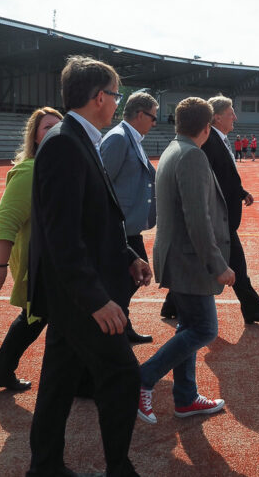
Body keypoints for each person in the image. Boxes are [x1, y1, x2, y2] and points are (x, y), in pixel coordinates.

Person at [26, 56, 151, 477]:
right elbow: (62, 236)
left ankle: (44, 466)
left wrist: (127, 256)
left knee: (59, 381)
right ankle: (118, 468)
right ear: (99, 97)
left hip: (77, 290)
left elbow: (94, 219)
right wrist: (96, 300)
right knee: (121, 374)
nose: (117, 102)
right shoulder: (64, 142)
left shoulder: (80, 137)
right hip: (79, 295)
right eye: (115, 95)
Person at [137, 97, 234, 425]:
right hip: (190, 261)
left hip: (175, 256)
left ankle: (185, 397)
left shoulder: (171, 150)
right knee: (205, 329)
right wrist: (218, 264)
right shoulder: (192, 156)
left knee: (189, 327)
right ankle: (144, 377)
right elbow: (198, 219)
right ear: (207, 127)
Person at [159, 95, 259, 325]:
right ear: (216, 117)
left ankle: (171, 304)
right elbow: (205, 178)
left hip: (221, 217)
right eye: (230, 112)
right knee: (237, 266)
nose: (235, 116)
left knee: (229, 263)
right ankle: (252, 309)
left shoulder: (218, 139)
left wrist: (241, 191)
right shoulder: (209, 141)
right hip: (217, 219)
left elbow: (222, 176)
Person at [0, 107, 62, 392]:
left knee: (39, 316)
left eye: (58, 127)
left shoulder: (56, 168)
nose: (54, 131)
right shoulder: (31, 171)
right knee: (39, 315)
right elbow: (6, 218)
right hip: (38, 262)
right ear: (36, 137)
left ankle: (0, 372)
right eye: (47, 127)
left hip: (53, 261)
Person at [100, 91, 161, 344]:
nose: (154, 123)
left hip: (128, 225)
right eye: (152, 117)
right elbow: (101, 185)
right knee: (132, 276)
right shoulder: (118, 139)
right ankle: (112, 326)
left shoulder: (131, 137)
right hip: (119, 226)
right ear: (139, 114)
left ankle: (121, 325)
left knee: (134, 275)